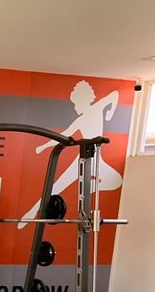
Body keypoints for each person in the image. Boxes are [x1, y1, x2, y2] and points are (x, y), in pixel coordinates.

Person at [19, 80, 123, 228]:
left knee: (116, 180)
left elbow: (114, 95)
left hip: (95, 159)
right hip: (81, 160)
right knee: (55, 187)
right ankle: (30, 214)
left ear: (83, 100)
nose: (74, 107)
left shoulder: (97, 108)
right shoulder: (81, 120)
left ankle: (90, 188)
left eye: (75, 104)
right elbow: (64, 135)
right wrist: (43, 146)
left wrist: (110, 112)